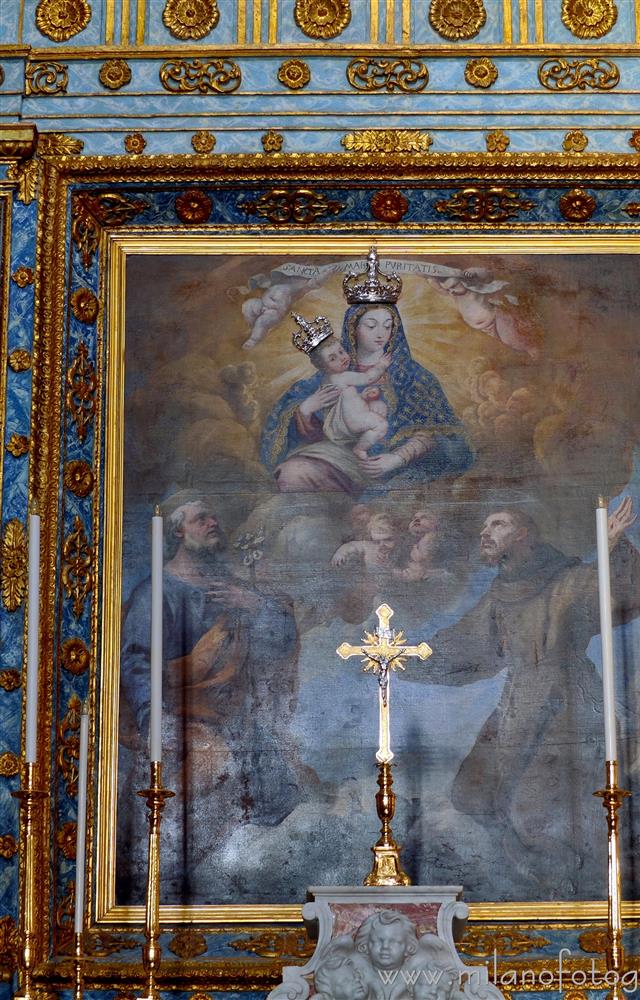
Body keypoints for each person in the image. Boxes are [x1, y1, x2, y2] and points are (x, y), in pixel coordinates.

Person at [420, 497, 640, 897]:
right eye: (485, 526)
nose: (484, 532)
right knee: (474, 792)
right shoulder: (501, 591)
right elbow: (467, 644)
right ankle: (533, 880)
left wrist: (612, 544)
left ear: (522, 533)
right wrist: (397, 656)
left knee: (541, 805)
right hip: (517, 706)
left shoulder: (565, 579)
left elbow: (612, 590)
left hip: (567, 709)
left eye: (497, 524)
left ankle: (568, 889)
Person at [120, 496, 305, 837]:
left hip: (238, 722)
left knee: (281, 800)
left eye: (214, 517)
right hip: (183, 722)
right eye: (201, 519)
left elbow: (282, 641)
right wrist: (154, 720)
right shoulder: (155, 594)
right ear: (177, 531)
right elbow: (135, 662)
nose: (213, 523)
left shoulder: (234, 589)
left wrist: (255, 605)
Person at [261, 249, 474, 495]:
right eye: (371, 325)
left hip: (396, 464)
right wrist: (304, 411)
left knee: (398, 497)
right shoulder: (332, 374)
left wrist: (398, 458)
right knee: (293, 474)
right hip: (342, 460)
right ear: (354, 329)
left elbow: (447, 436)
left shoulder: (414, 377)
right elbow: (288, 427)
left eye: (387, 325)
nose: (380, 333)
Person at [304, 330, 392, 459]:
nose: (342, 358)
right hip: (353, 421)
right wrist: (381, 365)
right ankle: (360, 448)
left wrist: (362, 397)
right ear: (324, 367)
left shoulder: (329, 379)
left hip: (347, 420)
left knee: (378, 409)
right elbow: (368, 378)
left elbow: (345, 401)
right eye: (333, 359)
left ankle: (370, 437)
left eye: (341, 351)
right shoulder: (341, 377)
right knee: (382, 424)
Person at [354, 910, 419, 1000]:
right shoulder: (356, 977)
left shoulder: (418, 978)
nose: (385, 947)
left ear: (408, 947)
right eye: (378, 941)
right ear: (365, 946)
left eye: (394, 942)